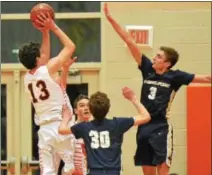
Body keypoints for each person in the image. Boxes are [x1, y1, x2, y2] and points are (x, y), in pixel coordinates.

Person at [104, 3, 212, 175]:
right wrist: (111, 20)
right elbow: (129, 41)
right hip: (144, 125)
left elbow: (206, 78)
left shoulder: (175, 76)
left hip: (161, 126)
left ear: (167, 63)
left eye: (159, 56)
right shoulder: (147, 68)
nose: (154, 57)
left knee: (162, 170)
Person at [19, 12, 76, 175]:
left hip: (45, 130)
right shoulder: (48, 69)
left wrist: (45, 33)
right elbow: (70, 46)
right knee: (72, 168)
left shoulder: (27, 78)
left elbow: (43, 57)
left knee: (48, 172)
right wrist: (53, 27)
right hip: (62, 124)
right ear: (37, 58)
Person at [59, 86, 151, 175]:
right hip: (113, 172)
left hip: (94, 171)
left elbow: (61, 130)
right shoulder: (117, 124)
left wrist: (66, 118)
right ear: (108, 108)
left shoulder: (84, 127)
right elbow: (146, 117)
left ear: (91, 109)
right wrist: (133, 99)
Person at [72, 94, 92, 175]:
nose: (86, 108)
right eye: (82, 105)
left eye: (88, 105)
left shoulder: (96, 130)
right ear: (75, 111)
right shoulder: (68, 129)